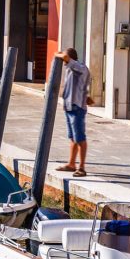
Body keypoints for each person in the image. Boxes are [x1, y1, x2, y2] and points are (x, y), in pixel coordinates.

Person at [56, 47, 91, 177]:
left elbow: (65, 58)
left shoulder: (80, 67)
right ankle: (71, 164)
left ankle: (81, 167)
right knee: (73, 138)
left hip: (77, 108)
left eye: (65, 58)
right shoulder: (70, 70)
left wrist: (59, 54)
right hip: (69, 107)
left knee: (80, 138)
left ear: (70, 58)